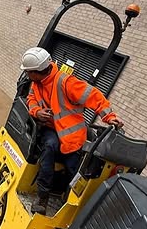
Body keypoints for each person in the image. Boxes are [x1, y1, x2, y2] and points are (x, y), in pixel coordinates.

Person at [22, 46, 124, 215]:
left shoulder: (66, 82)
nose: (27, 75)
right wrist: (37, 112)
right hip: (51, 130)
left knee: (76, 171)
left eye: (28, 72)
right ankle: (42, 196)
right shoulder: (36, 83)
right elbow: (31, 99)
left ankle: (71, 203)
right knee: (49, 147)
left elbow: (93, 95)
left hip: (72, 137)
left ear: (37, 71)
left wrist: (109, 116)